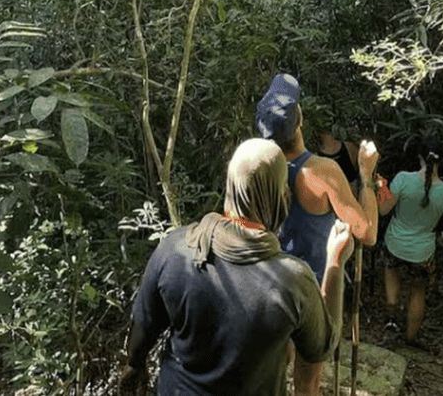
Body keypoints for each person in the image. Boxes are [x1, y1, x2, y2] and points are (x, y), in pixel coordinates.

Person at [118, 138, 354, 396]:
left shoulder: (176, 249)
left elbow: (143, 327)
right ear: (281, 196)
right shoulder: (293, 280)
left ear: (230, 187)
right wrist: (334, 261)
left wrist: (134, 365)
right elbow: (321, 346)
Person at [254, 74, 379, 396]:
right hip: (314, 290)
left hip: (268, 284)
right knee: (308, 382)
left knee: (273, 371)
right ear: (300, 121)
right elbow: (366, 233)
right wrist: (366, 175)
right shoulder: (321, 171)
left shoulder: (257, 168)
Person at [378, 138, 443, 349]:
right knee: (418, 291)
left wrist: (380, 188)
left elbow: (383, 210)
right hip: (422, 252)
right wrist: (439, 239)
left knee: (392, 279)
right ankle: (411, 338)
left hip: (394, 243)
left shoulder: (403, 179)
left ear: (420, 157)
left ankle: (391, 325)